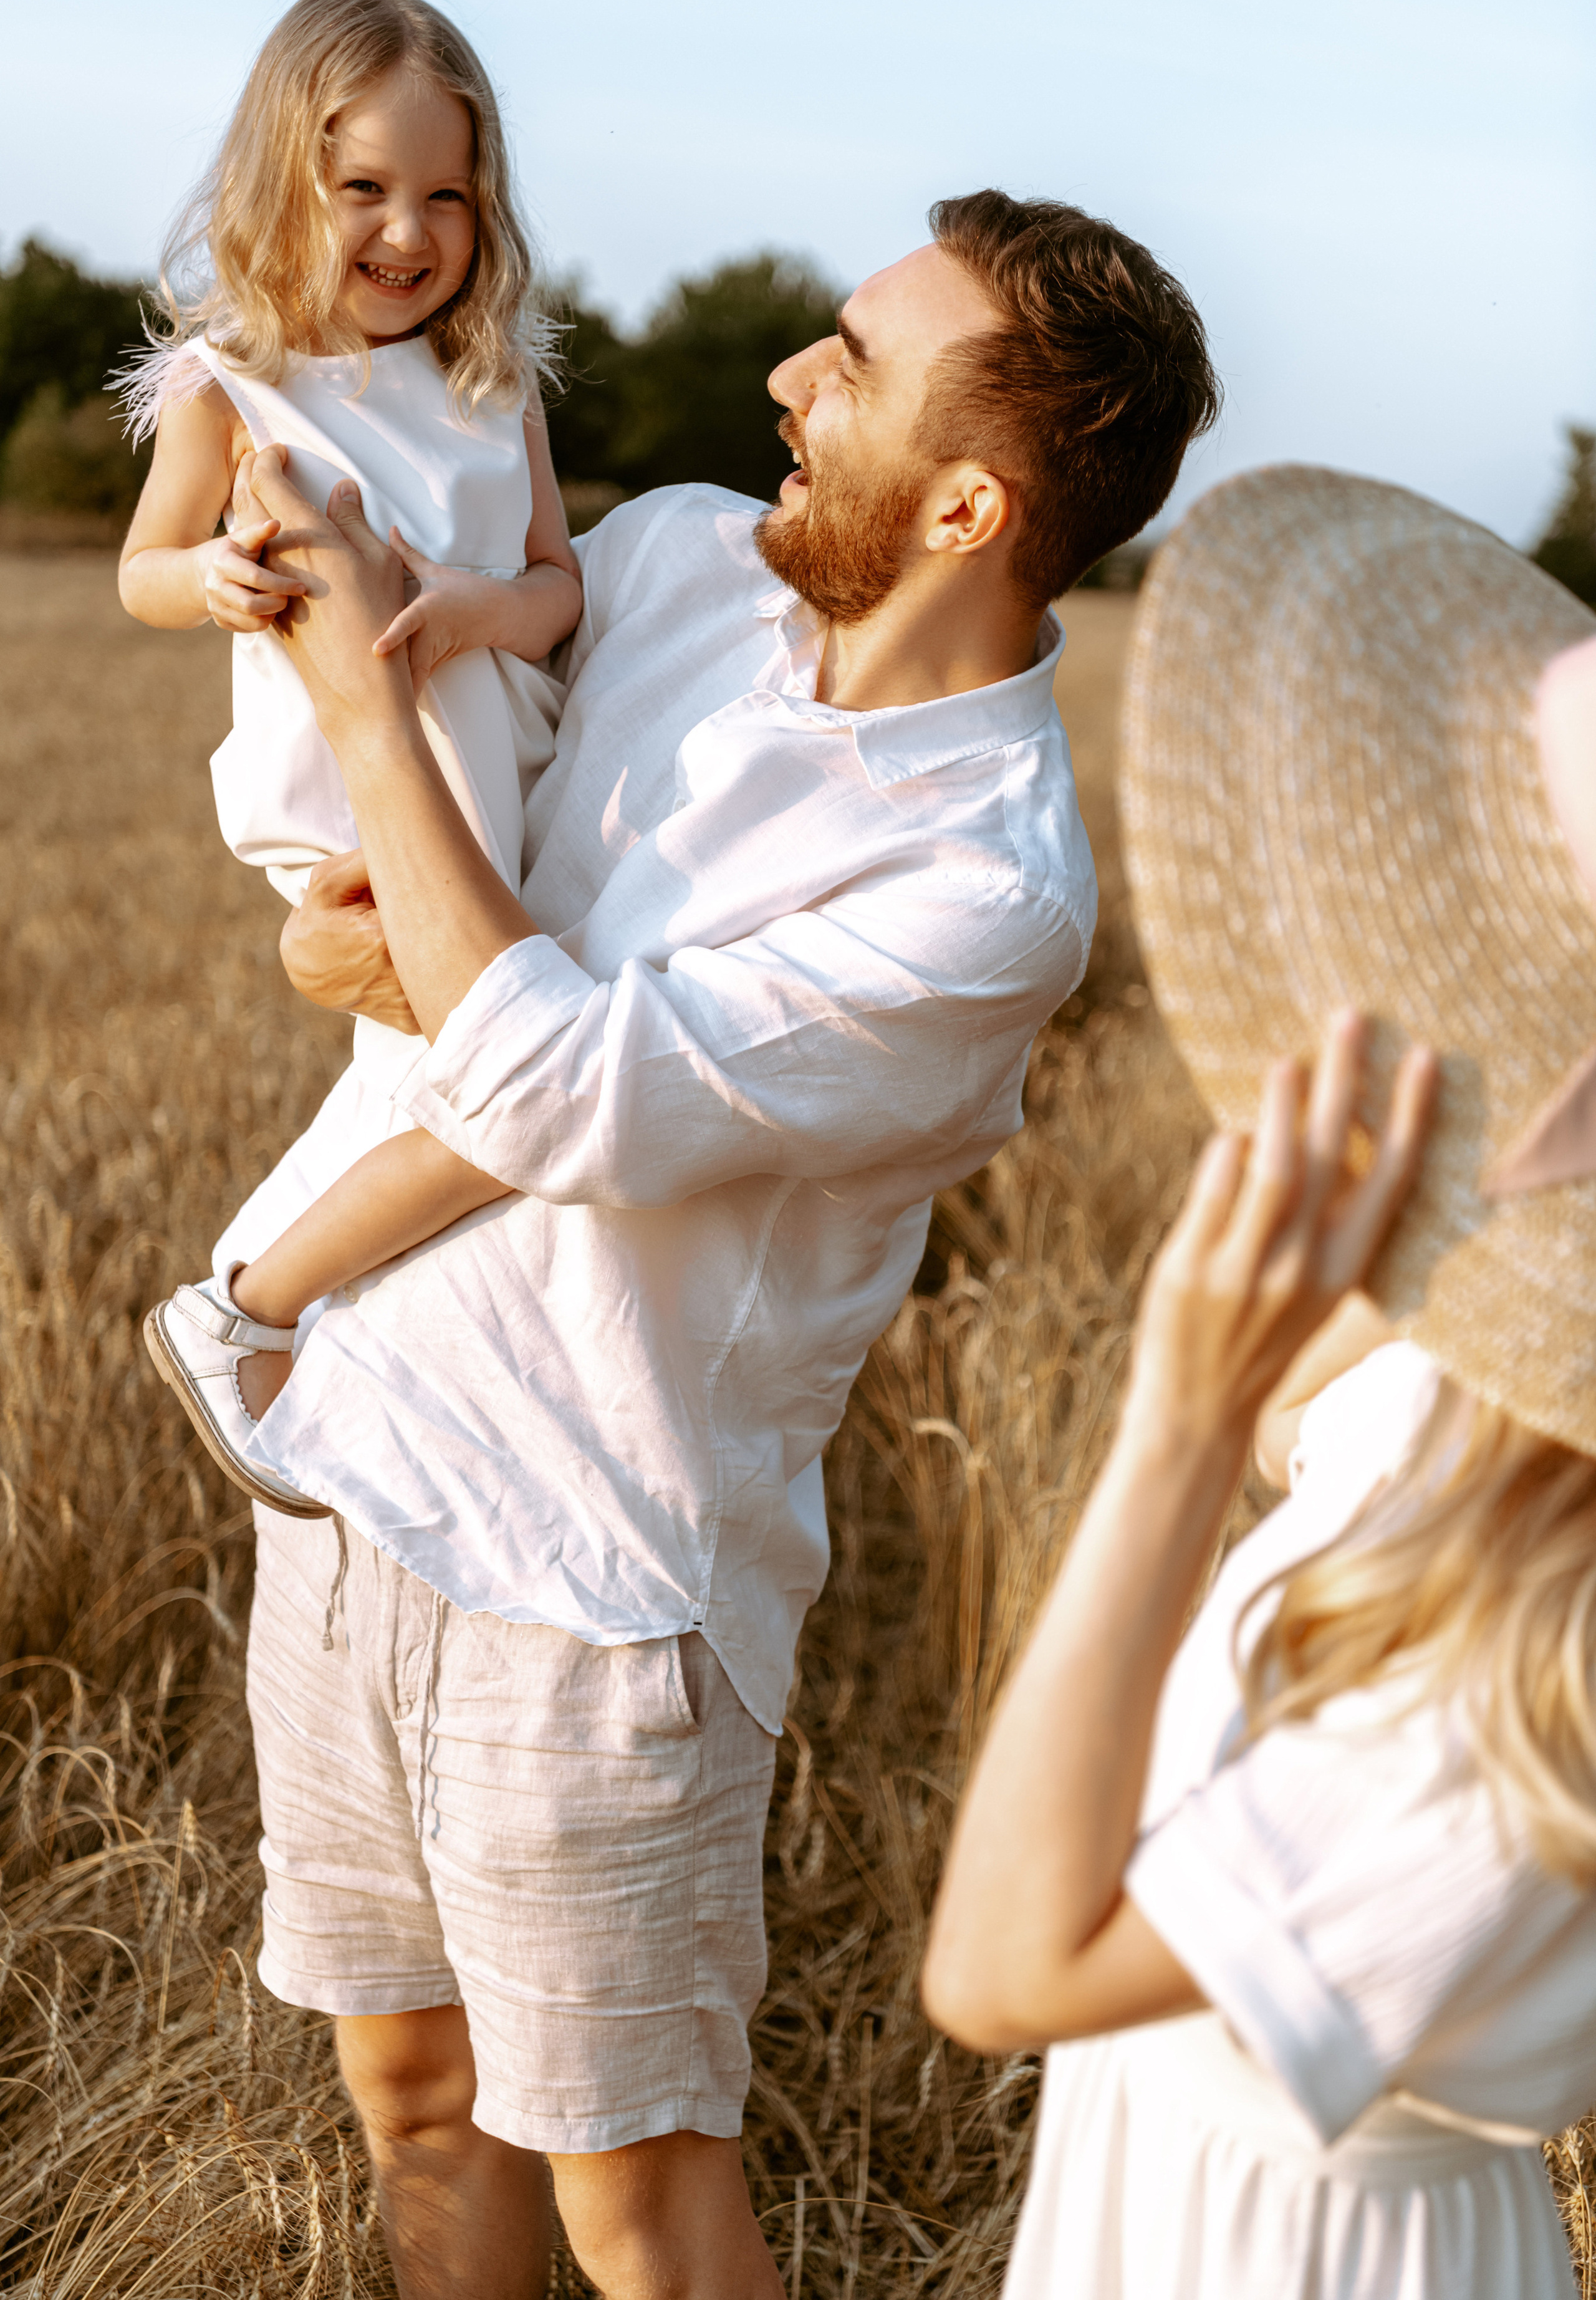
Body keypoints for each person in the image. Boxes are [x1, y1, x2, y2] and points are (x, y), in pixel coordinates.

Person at [176, 193, 1219, 2299]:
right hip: (352, 1461)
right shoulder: (665, 562)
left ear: (966, 505)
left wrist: (362, 698)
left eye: (851, 362)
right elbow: (433, 881)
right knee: (410, 2097)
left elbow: (561, 1090)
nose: (786, 381)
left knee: (638, 2204)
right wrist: (337, 932)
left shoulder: (986, 892)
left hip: (597, 1587)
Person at [922, 465, 1596, 2300]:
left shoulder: (1527, 1684)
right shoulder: (1488, 1413)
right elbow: (1339, 1420)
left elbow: (999, 1972)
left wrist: (1178, 1423)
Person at [114, 0, 582, 1509]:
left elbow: (558, 587)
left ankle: (298, 1327)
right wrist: (211, 577)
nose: (408, 230)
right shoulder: (233, 386)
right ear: (281, 183)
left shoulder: (494, 384)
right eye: (366, 187)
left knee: (500, 1093)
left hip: (513, 790)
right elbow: (142, 571)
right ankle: (260, 1314)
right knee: (507, 1091)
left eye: (448, 196)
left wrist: (474, 608)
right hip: (356, 809)